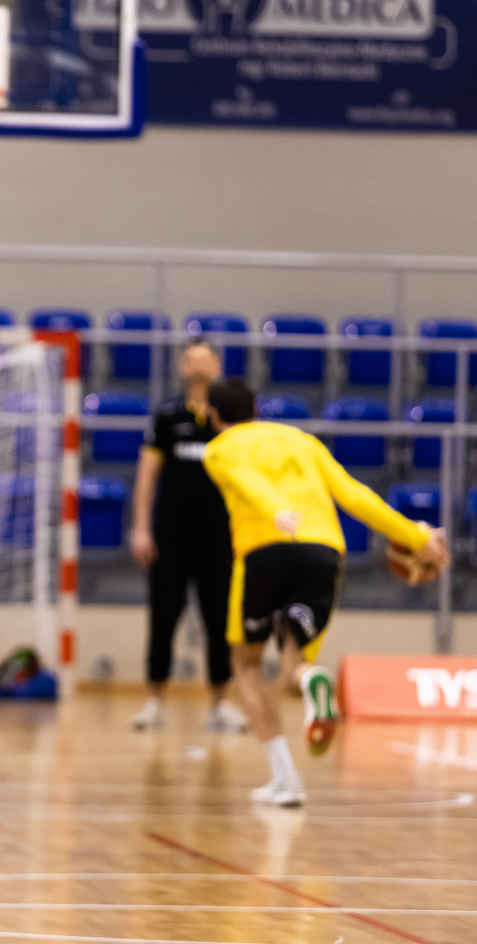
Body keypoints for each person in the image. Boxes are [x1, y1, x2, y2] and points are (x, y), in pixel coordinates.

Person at [202, 379, 450, 806]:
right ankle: (308, 679)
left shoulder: (219, 449)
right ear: (256, 408)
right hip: (322, 551)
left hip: (263, 550)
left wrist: (277, 511)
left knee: (245, 663)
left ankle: (285, 777)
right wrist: (415, 536)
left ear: (213, 415)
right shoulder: (302, 441)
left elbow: (246, 480)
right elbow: (355, 496)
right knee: (293, 666)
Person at [128, 339, 248, 733]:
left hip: (220, 539)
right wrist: (141, 528)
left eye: (205, 358)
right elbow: (148, 474)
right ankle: (154, 701)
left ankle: (220, 704)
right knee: (163, 617)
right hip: (171, 537)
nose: (197, 365)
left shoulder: (229, 419)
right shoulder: (167, 416)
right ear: (182, 366)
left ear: (217, 366)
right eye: (190, 358)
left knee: (220, 621)